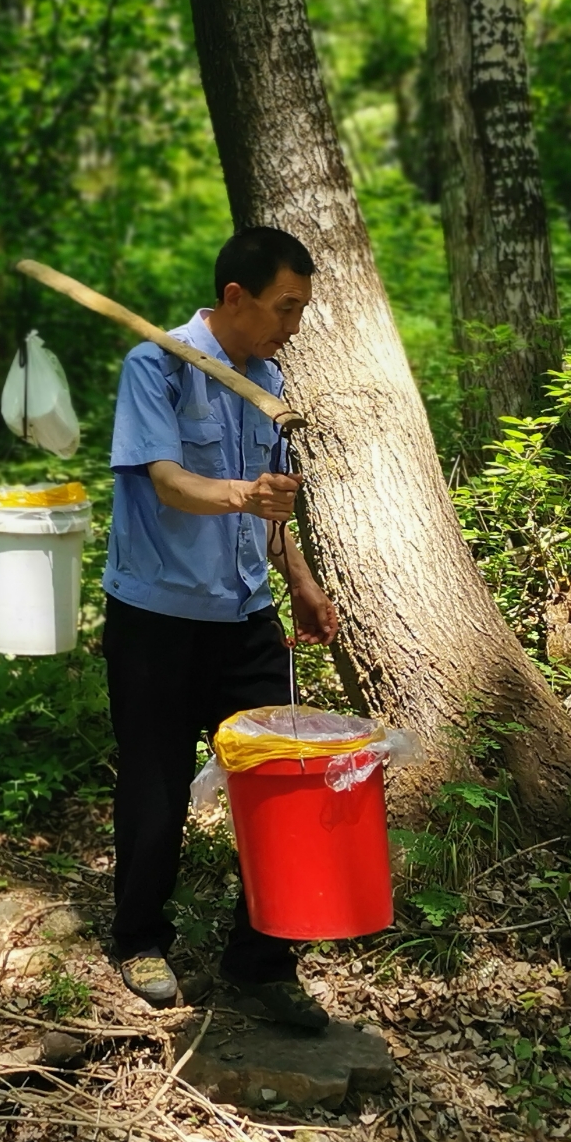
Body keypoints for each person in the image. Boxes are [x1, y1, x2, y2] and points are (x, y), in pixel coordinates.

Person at [103, 226, 342, 1033]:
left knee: (281, 784)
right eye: (284, 307)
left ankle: (262, 961)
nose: (292, 326)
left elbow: (270, 510)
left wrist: (301, 585)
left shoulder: (265, 378)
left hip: (245, 614)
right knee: (155, 786)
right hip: (157, 618)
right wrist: (245, 496)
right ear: (234, 297)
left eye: (301, 310)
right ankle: (137, 939)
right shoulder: (155, 366)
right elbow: (167, 483)